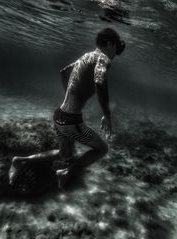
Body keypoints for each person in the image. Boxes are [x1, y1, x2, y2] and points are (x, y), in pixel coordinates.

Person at [9, 27, 125, 189]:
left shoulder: (86, 57)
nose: (115, 53)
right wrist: (107, 116)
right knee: (102, 149)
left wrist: (71, 97)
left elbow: (63, 72)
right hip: (71, 122)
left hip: (60, 116)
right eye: (116, 47)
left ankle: (20, 160)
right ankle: (66, 172)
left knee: (64, 154)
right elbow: (100, 82)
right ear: (110, 44)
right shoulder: (103, 58)